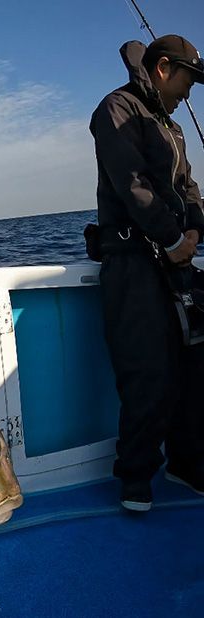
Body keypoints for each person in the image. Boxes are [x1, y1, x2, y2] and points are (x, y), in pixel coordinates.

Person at [89, 34, 204, 511]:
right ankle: (135, 477)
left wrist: (194, 229)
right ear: (162, 69)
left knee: (194, 368)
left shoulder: (170, 127)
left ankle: (187, 462)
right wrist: (174, 240)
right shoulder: (116, 110)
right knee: (147, 372)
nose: (189, 92)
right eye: (187, 80)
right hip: (134, 264)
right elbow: (131, 183)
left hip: (177, 266)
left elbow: (188, 185)